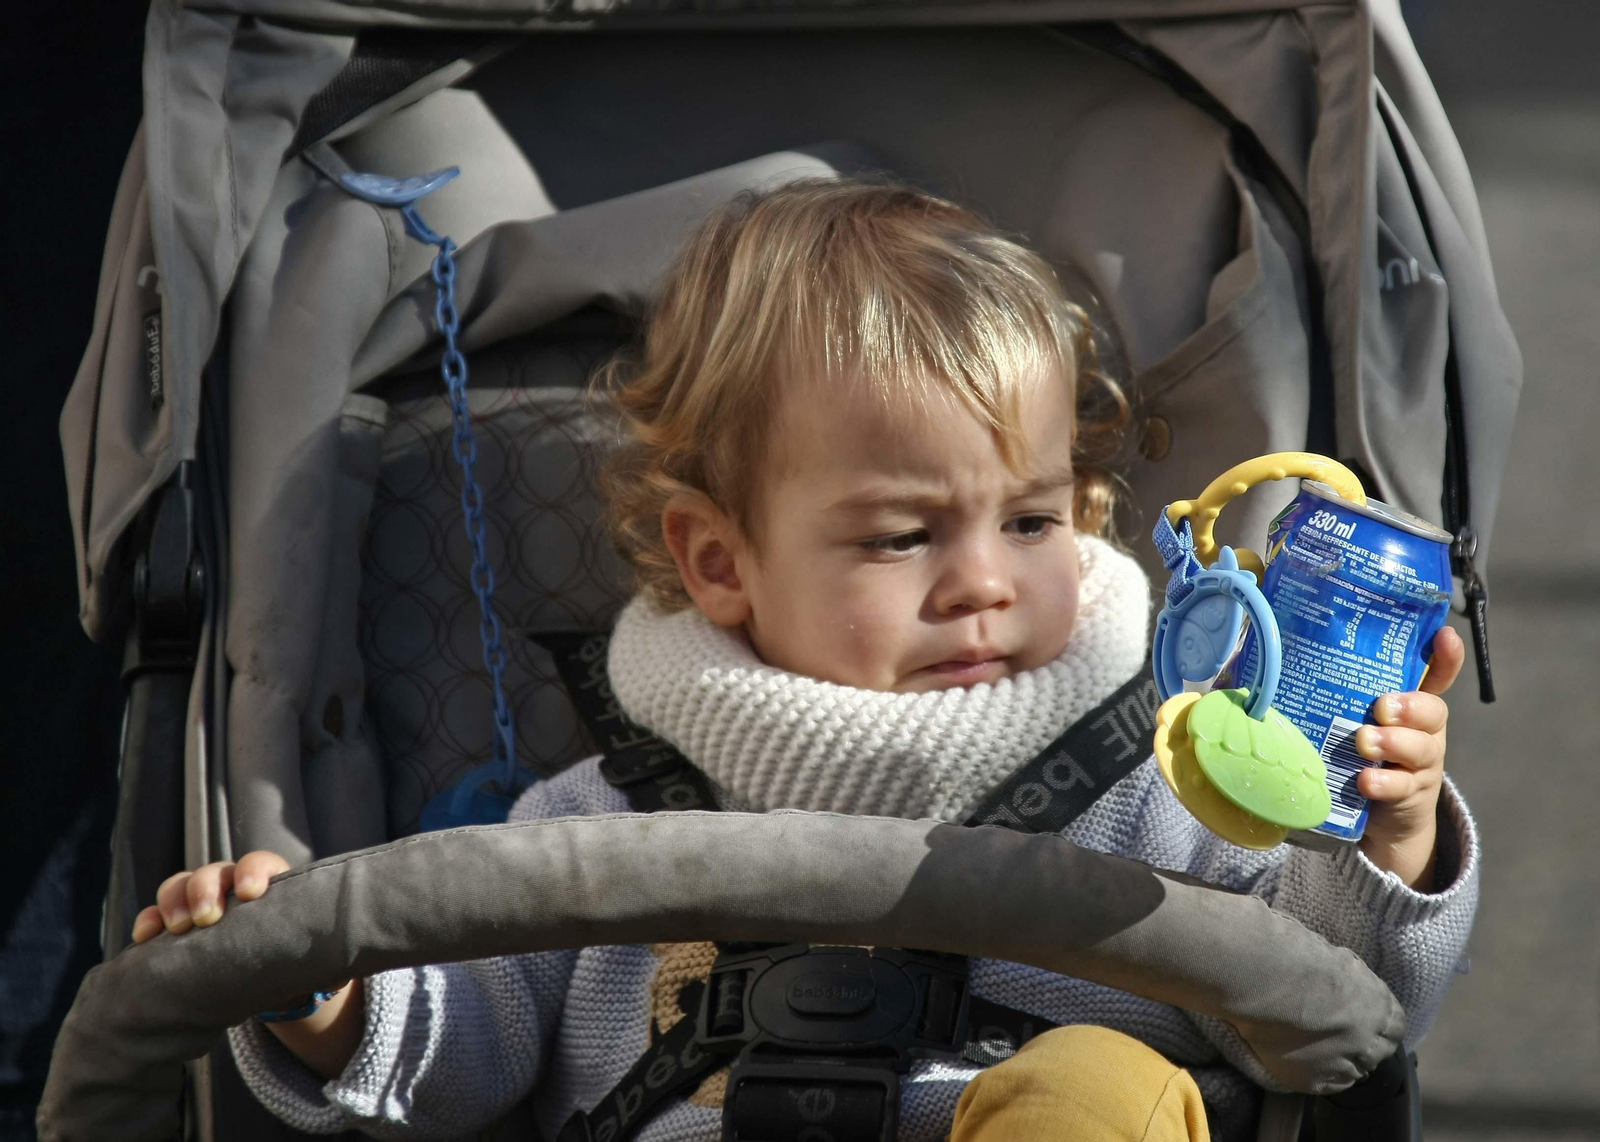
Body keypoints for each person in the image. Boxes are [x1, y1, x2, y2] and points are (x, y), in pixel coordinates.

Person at [133, 179, 1479, 1142]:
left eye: (1031, 518)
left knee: (1093, 1094)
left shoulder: (1162, 775)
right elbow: (458, 1055)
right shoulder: (612, 814)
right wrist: (327, 994)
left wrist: (1386, 839)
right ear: (721, 564)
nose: (982, 582)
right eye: (902, 538)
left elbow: (1327, 1012)